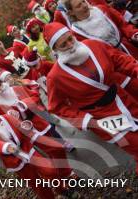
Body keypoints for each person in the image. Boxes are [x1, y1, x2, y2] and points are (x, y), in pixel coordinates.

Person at [43, 22, 138, 173]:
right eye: (63, 44)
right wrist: (87, 121)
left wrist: (135, 69)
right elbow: (56, 107)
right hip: (103, 118)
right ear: (55, 49)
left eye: (70, 38)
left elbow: (120, 60)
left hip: (124, 99)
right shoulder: (55, 77)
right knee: (135, 145)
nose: (70, 44)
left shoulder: (93, 45)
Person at [0, 97, 75, 199]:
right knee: (36, 183)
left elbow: (21, 126)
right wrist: (4, 147)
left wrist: (26, 127)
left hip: (27, 149)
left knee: (50, 170)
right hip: (15, 160)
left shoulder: (6, 117)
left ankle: (61, 188)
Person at [59, 0, 138, 59]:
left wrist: (134, 34)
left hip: (131, 48)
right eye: (79, 6)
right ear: (71, 12)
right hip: (117, 63)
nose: (84, 6)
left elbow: (122, 24)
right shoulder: (77, 34)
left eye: (83, 1)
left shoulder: (101, 9)